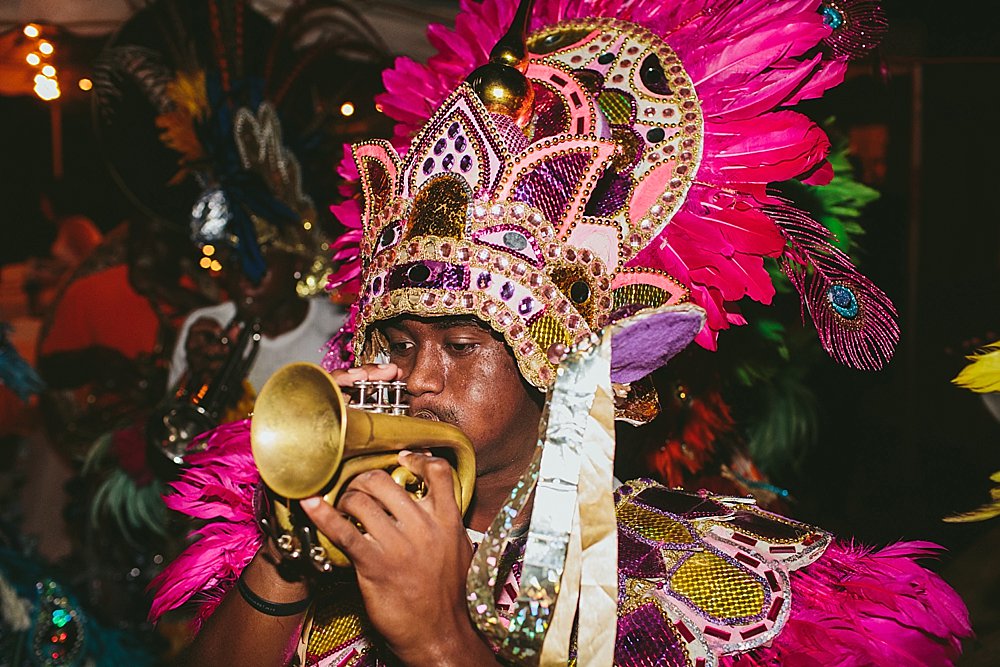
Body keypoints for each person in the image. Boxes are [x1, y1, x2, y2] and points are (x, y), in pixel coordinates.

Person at [151, 0, 971, 665]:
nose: (420, 378)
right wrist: (288, 556)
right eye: (399, 343)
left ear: (563, 363)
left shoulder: (694, 580)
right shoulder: (341, 525)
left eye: (462, 345)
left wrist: (440, 638)